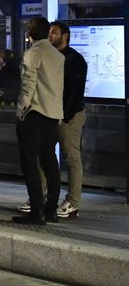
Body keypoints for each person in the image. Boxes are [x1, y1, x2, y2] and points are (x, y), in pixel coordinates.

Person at [13, 17, 65, 225]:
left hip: (34, 114)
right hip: (53, 115)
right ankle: (51, 209)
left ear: (30, 34)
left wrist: (20, 110)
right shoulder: (58, 55)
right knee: (50, 161)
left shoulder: (33, 53)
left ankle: (37, 210)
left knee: (29, 161)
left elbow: (28, 84)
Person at [48, 21, 88, 219]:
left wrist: (65, 116)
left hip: (68, 117)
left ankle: (73, 202)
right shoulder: (52, 57)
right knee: (44, 155)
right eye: (49, 32)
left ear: (65, 36)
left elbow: (75, 93)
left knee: (71, 158)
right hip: (51, 114)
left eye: (54, 33)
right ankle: (43, 197)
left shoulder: (75, 60)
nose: (50, 36)